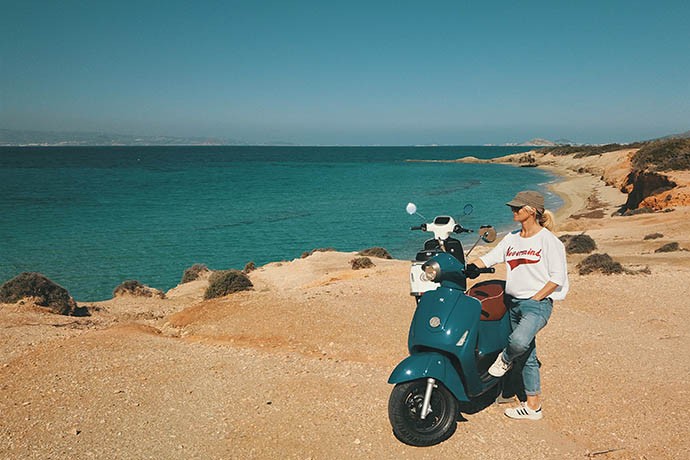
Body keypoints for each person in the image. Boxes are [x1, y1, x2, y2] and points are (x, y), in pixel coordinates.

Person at [467, 190, 568, 420]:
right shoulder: (512, 238)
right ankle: (533, 407)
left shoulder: (548, 241)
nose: (512, 210)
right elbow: (490, 257)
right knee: (527, 355)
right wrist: (471, 266)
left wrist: (535, 298)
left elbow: (557, 278)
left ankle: (503, 360)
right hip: (512, 304)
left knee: (518, 342)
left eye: (517, 208)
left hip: (536, 304)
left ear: (531, 210)